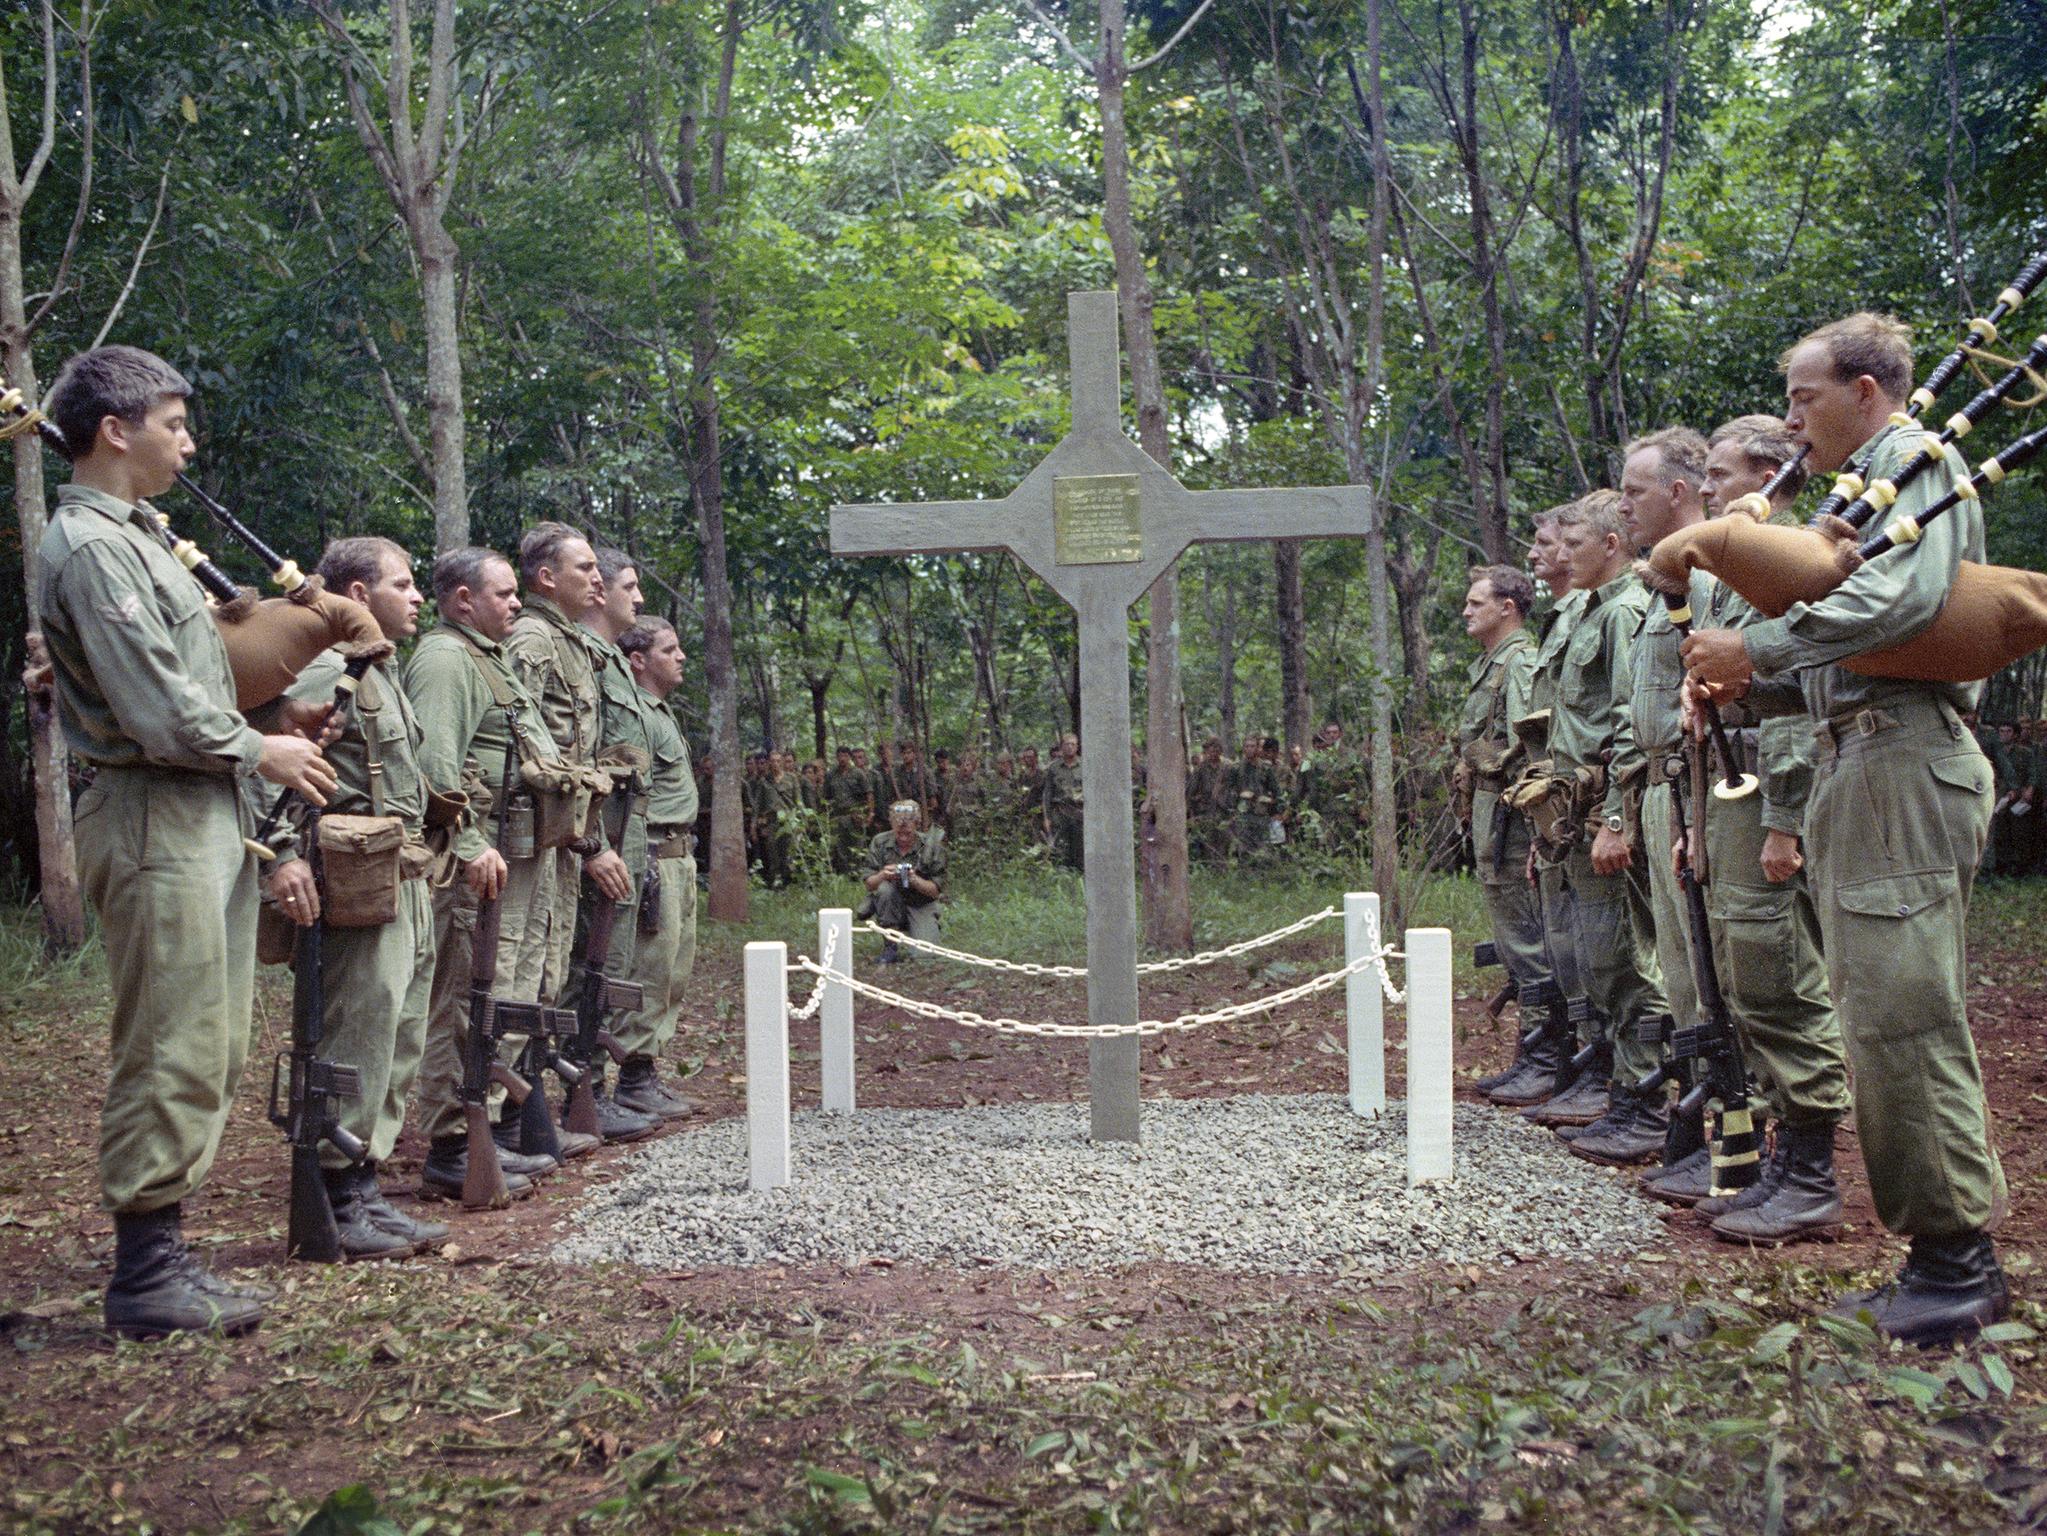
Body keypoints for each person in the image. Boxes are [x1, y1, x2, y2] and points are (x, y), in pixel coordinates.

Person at [1683, 311, 2006, 1343]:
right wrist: (1740, 682)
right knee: (1874, 1010)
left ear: (1865, 391)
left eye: (1803, 396)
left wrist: (1760, 652)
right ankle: (1939, 1254)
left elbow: (1897, 607)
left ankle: (1957, 1265)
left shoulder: (1919, 463)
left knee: (1903, 1012)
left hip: (1900, 762)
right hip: (1856, 762)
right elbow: (1836, 640)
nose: (1790, 418)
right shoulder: (1861, 489)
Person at [37, 345, 336, 1337]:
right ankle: (144, 1275)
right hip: (154, 807)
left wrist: (269, 719)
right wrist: (261, 750)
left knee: (205, 1037)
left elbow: (195, 678)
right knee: (169, 1040)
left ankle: (165, 1257)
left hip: (197, 807)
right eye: (173, 423)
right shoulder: (90, 549)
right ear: (115, 431)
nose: (187, 441)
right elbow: (158, 710)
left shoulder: (140, 539)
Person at [1663, 414, 1852, 1234]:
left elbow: (1791, 707)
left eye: (1723, 474)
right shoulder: (1723, 569)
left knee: (1776, 970)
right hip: (1723, 789)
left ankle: (1810, 1165)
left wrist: (1780, 821)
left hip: (1776, 791)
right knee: (1743, 976)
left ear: (1774, 477)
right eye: (1702, 475)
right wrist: (1699, 823)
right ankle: (1781, 1151)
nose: (1708, 489)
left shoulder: (1789, 561)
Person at [258, 537, 449, 1258]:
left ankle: (363, 1179)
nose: (417, 596)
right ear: (359, 596)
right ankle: (334, 1188)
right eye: (403, 585)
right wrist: (277, 858)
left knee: (394, 1032)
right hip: (347, 878)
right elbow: (263, 757)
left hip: (398, 874)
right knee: (355, 1030)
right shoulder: (323, 664)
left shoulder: (380, 669)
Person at [405, 547, 588, 1197]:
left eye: (517, 593)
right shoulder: (446, 660)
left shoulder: (485, 658)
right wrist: (472, 841)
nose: (516, 603)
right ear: (461, 600)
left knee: (486, 999)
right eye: (504, 594)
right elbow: (433, 767)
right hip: (465, 861)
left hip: (496, 856)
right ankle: (450, 1144)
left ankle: (480, 1128)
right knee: (459, 1004)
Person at [502, 524, 649, 1143]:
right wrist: (588, 841)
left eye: (597, 569)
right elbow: (518, 744)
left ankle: (522, 1114)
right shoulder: (533, 640)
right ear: (546, 577)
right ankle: (499, 1121)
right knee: (517, 973)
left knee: (543, 973)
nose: (597, 579)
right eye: (584, 568)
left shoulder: (564, 642)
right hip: (533, 838)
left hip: (561, 837)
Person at [1543, 492, 1668, 1153]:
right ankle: (1624, 1093)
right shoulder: (1587, 611)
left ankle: (1646, 1105)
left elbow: (1628, 721)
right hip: (1574, 811)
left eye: (1574, 544)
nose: (1561, 556)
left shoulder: (1624, 612)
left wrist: (1614, 820)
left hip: (1604, 812)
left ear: (1612, 546)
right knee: (1598, 961)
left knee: (1625, 959)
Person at [582, 550, 674, 1125]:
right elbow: (575, 758)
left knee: (608, 967)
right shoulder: (579, 658)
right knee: (584, 969)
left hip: (625, 835)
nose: (638, 600)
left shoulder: (608, 662)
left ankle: (592, 1088)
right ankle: (581, 1090)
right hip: (597, 841)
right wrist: (594, 844)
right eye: (630, 587)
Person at [1453, 565, 1549, 1096]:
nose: (1466, 611)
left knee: (1527, 941)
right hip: (1494, 815)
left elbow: (1527, 741)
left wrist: (1482, 763)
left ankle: (1542, 1056)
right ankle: (1534, 1054)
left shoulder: (1519, 662)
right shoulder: (1494, 663)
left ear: (1507, 607)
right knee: (1516, 941)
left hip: (1513, 817)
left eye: (1476, 602)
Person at [617, 616, 700, 1119]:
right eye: (670, 649)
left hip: (679, 857)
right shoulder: (636, 718)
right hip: (653, 856)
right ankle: (631, 1075)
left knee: (673, 971)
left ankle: (645, 1071)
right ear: (638, 661)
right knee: (649, 970)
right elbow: (629, 796)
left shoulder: (661, 712)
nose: (682, 656)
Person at [860, 800, 948, 960]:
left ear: (917, 823)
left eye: (907, 830)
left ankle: (922, 927)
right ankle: (890, 946)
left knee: (925, 955)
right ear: (891, 823)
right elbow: (869, 884)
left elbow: (935, 891)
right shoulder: (880, 842)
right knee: (884, 889)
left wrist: (914, 879)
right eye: (898, 829)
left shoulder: (930, 846)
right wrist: (883, 875)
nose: (903, 834)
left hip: (921, 903)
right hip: (890, 901)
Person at [824, 746, 873, 872]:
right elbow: (826, 797)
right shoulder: (831, 775)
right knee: (839, 846)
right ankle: (843, 873)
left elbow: (868, 794)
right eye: (840, 756)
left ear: (849, 757)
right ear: (836, 757)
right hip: (838, 816)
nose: (842, 759)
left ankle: (858, 872)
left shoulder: (858, 773)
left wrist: (869, 813)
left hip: (855, 815)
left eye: (845, 756)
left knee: (857, 844)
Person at [1044, 732, 1085, 870]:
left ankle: (1079, 876)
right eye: (1067, 744)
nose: (1070, 747)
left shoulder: (1085, 766)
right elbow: (1047, 793)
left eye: (1073, 744)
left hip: (1080, 813)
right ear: (1062, 747)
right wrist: (1047, 817)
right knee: (1061, 848)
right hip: (1060, 812)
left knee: (1080, 848)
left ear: (1077, 747)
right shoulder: (1054, 768)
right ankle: (1063, 877)